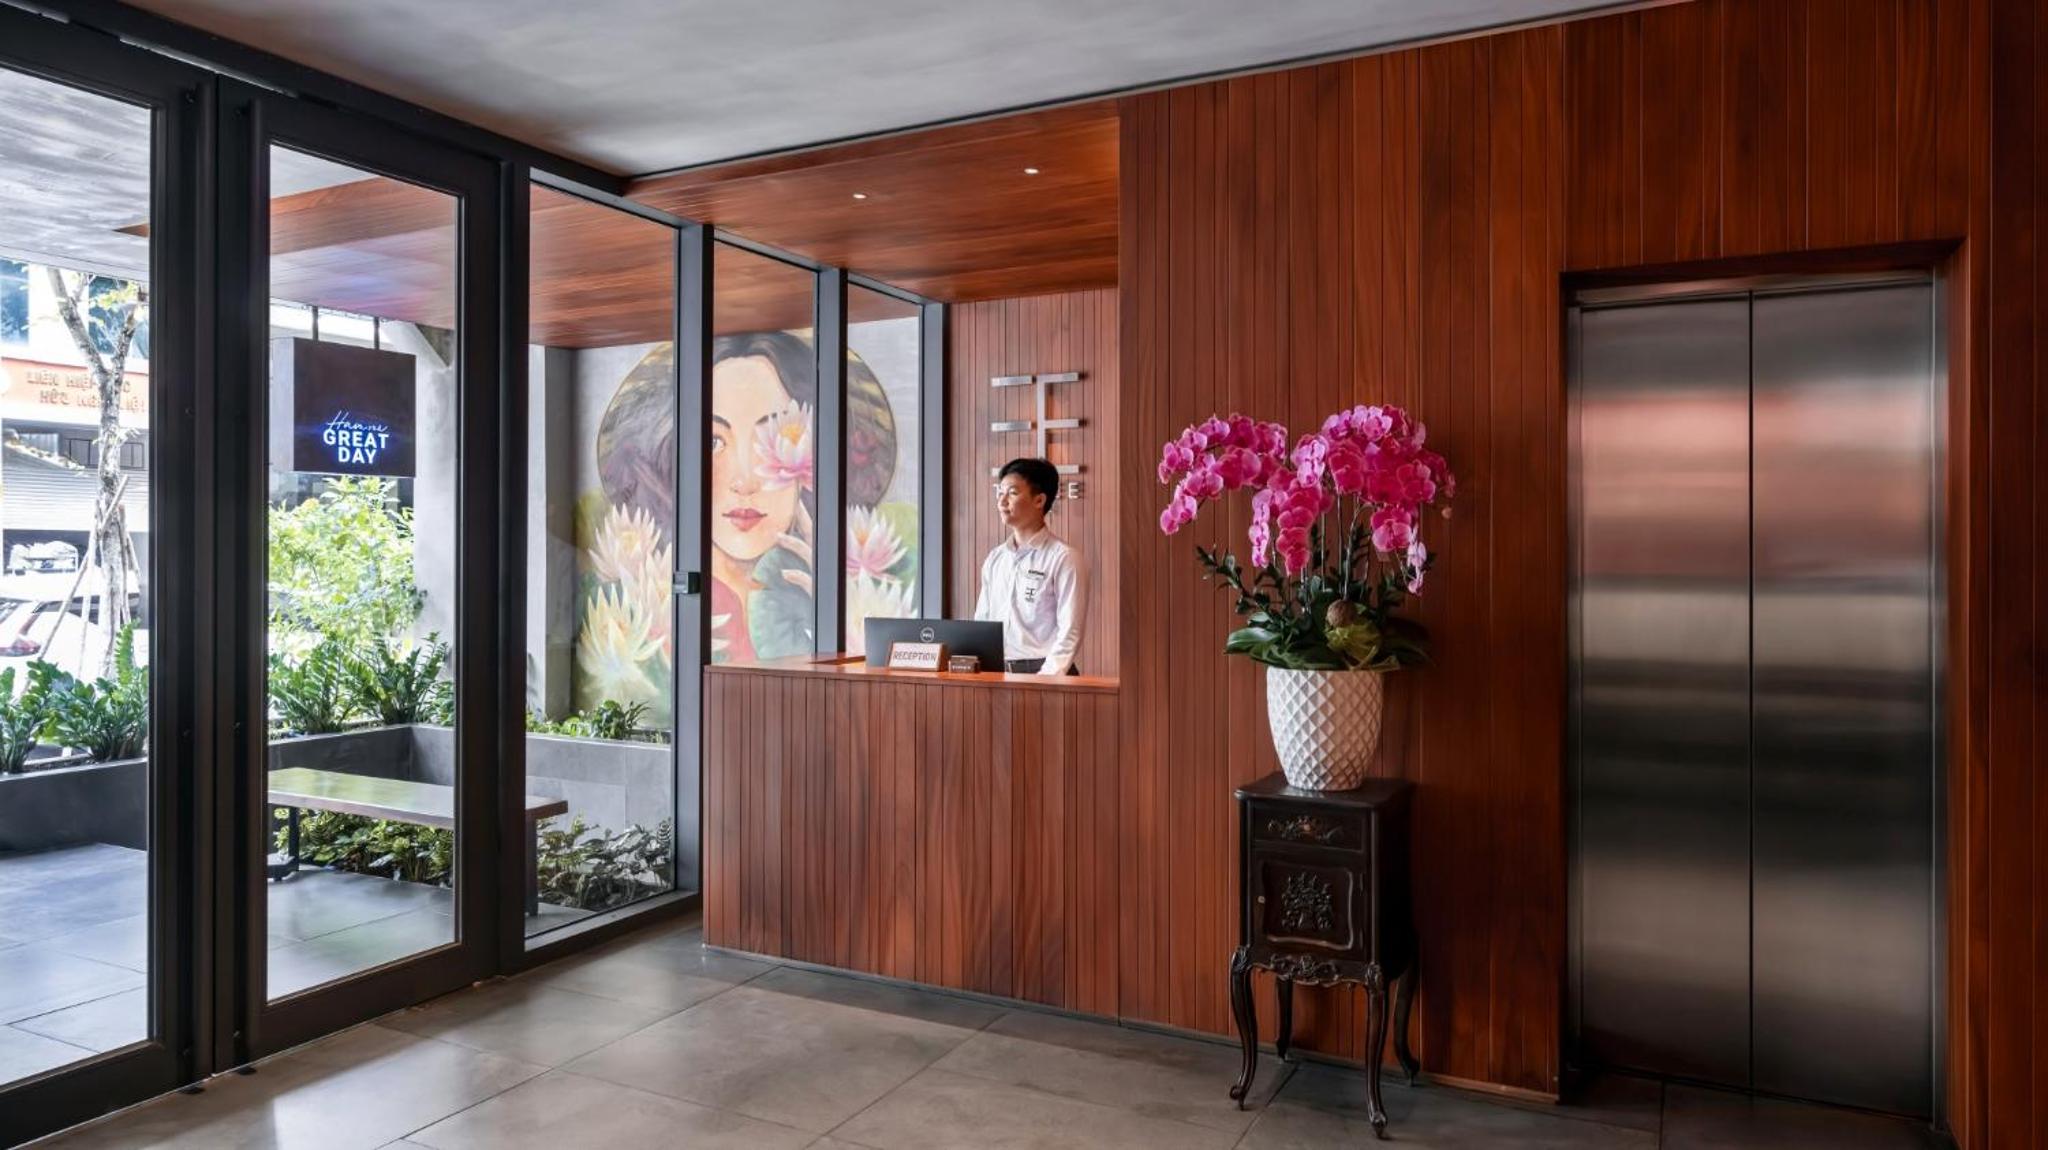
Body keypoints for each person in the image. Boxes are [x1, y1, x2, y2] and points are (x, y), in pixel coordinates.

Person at [973, 457, 1085, 675]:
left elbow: (1070, 632)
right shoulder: (995, 558)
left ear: (1039, 500)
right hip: (998, 674)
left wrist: (1044, 681)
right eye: (1000, 492)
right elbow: (982, 622)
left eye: (1012, 493)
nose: (1002, 501)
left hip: (1045, 674)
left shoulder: (1064, 558)